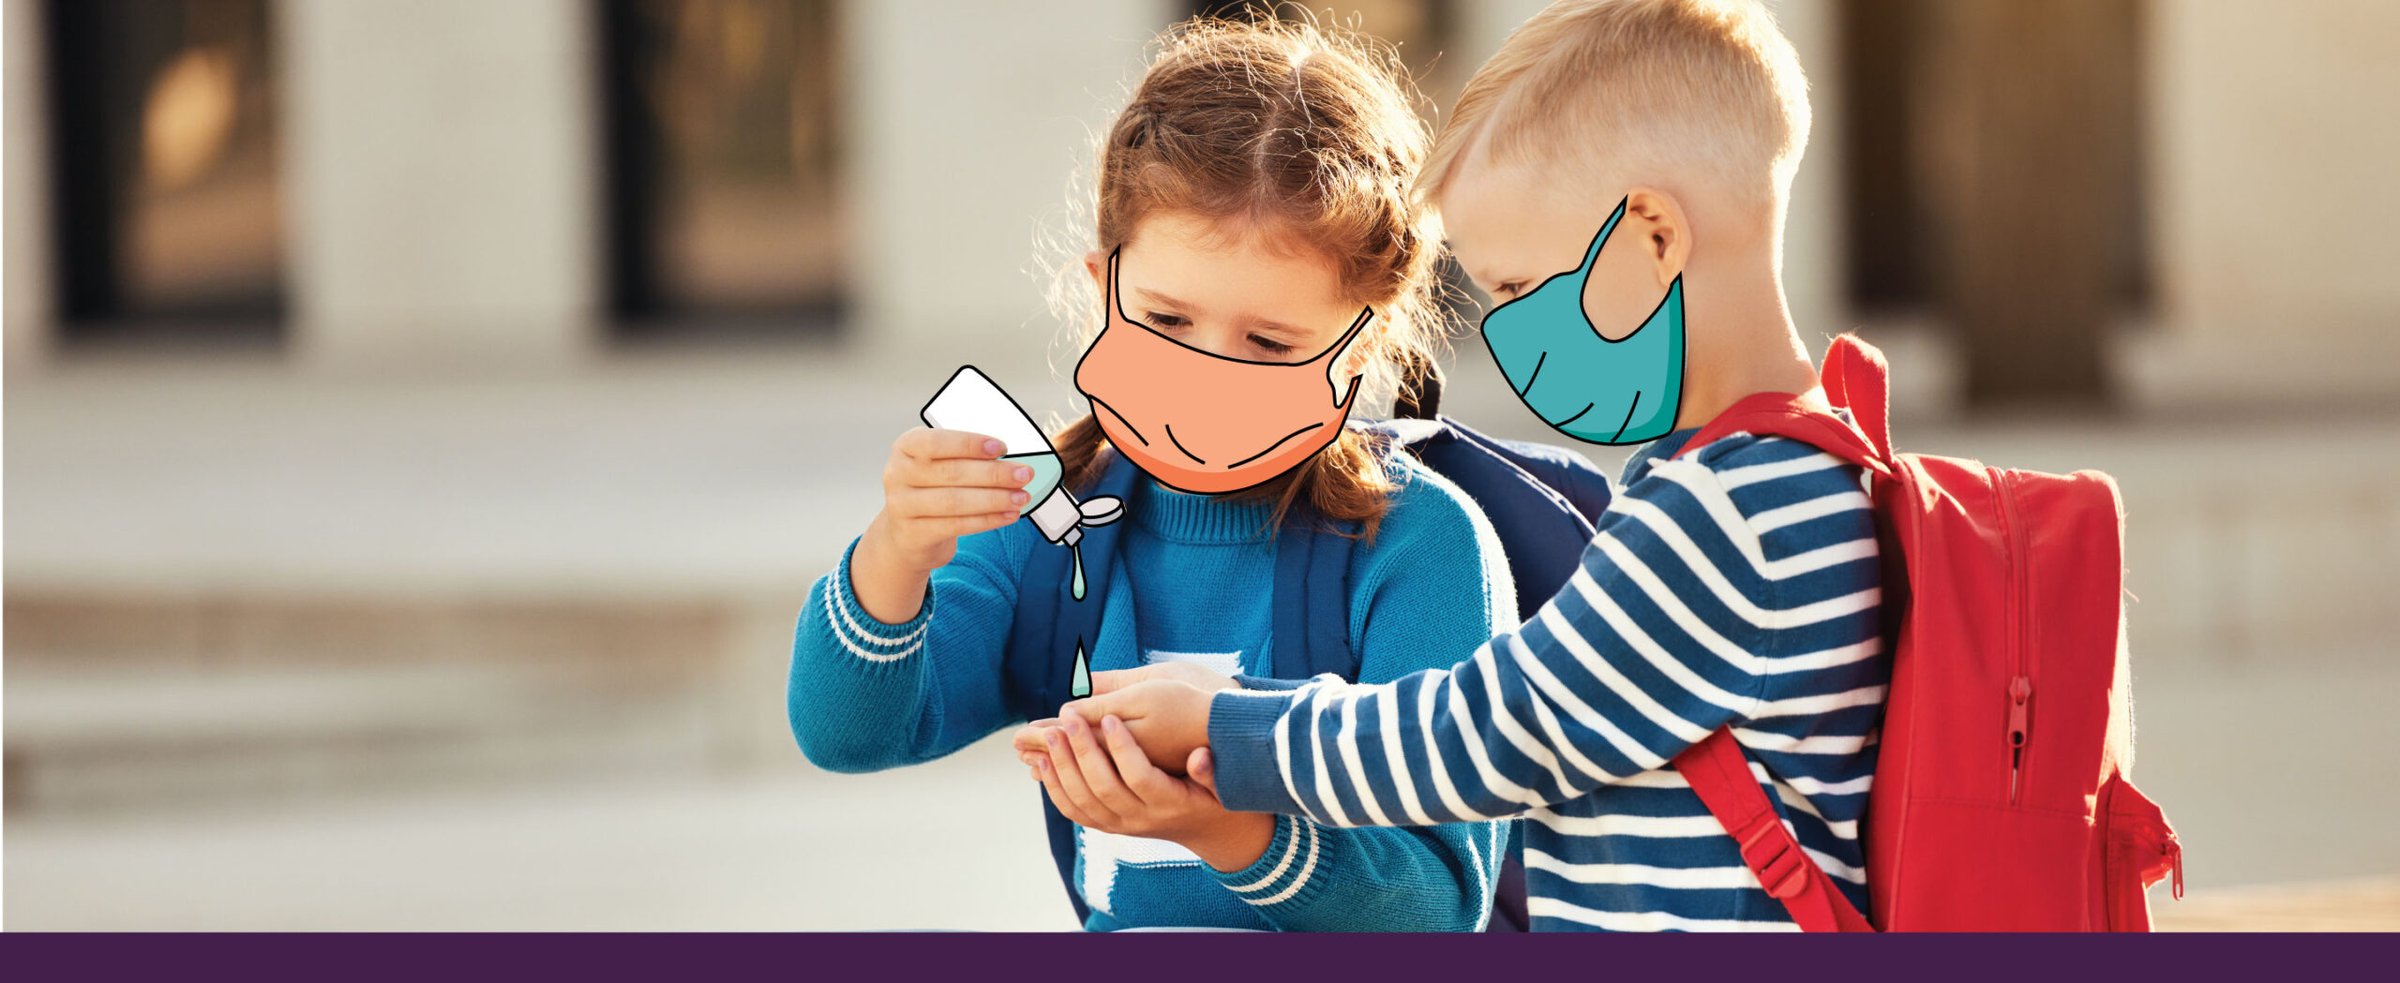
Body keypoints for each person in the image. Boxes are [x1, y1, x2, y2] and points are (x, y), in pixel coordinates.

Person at [1022, 0, 1890, 932]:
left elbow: (1493, 733)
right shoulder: (1788, 470)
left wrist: (1226, 719)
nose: (1508, 331)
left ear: (1653, 235)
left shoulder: (1729, 512)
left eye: (1517, 286)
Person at [791, 17, 1510, 932]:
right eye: (1168, 321)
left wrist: (1235, 831)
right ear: (1103, 289)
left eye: (1268, 341)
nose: (1210, 368)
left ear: (1356, 349)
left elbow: (1442, 907)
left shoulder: (1422, 548)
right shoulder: (1049, 525)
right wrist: (896, 551)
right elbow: (849, 732)